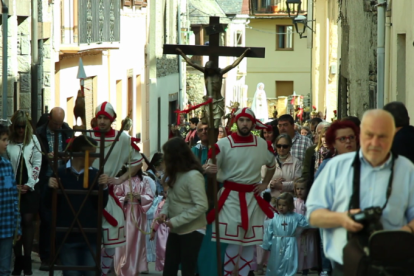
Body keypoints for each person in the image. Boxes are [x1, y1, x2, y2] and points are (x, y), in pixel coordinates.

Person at [306, 110, 414, 275]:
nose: (375, 142)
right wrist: (342, 219)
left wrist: (404, 231)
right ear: (362, 135)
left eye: (382, 136)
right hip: (347, 264)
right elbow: (312, 214)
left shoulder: (406, 169)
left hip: (394, 264)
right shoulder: (334, 167)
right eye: (369, 134)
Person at [207, 107, 276, 276]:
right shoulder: (223, 144)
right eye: (241, 120)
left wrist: (265, 183)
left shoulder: (262, 145)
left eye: (248, 121)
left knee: (248, 242)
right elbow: (211, 167)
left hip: (252, 197)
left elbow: (272, 165)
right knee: (233, 242)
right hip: (230, 197)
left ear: (253, 123)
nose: (245, 124)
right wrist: (210, 169)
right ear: (236, 122)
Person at [86, 101, 143, 275]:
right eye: (100, 117)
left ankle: (103, 271)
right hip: (86, 195)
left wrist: (118, 180)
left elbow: (137, 162)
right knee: (86, 237)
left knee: (114, 232)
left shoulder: (123, 138)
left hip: (108, 196)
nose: (102, 121)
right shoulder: (87, 136)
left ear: (112, 120)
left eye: (106, 118)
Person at [46, 135, 109, 276]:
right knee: (71, 274)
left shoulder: (95, 175)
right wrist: (50, 188)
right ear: (82, 154)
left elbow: (101, 205)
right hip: (67, 237)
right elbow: (48, 204)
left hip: (90, 235)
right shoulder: (61, 174)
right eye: (92, 153)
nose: (95, 157)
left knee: (91, 273)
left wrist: (104, 188)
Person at [158, 137, 208, 276]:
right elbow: (171, 197)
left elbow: (201, 205)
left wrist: (175, 221)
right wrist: (164, 211)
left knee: (188, 269)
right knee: (169, 268)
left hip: (192, 229)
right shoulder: (177, 173)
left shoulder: (193, 176)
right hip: (177, 228)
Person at [36, 107, 74, 270]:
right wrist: (46, 157)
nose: (59, 127)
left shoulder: (67, 132)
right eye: (56, 123)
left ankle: (58, 255)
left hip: (63, 178)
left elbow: (74, 151)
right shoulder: (39, 133)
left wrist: (67, 156)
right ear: (49, 118)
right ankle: (46, 256)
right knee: (46, 219)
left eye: (61, 123)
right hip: (45, 178)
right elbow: (34, 154)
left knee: (62, 218)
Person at [7, 111, 42, 276]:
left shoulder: (33, 140)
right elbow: (5, 164)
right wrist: (13, 186)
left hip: (29, 188)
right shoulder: (9, 142)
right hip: (13, 188)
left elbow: (37, 162)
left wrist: (30, 183)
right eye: (18, 127)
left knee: (28, 221)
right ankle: (18, 260)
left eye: (23, 127)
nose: (21, 130)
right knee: (16, 222)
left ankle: (27, 260)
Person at [192, 121, 227, 276]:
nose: (205, 131)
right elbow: (186, 173)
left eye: (208, 128)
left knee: (217, 241)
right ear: (197, 133)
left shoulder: (223, 148)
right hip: (199, 202)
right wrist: (202, 169)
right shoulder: (194, 151)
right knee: (199, 243)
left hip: (220, 201)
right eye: (201, 129)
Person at [114, 169, 155, 276]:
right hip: (125, 214)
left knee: (137, 241)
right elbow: (115, 197)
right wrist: (124, 198)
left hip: (138, 215)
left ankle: (135, 268)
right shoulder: (121, 181)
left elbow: (150, 196)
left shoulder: (144, 181)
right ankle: (121, 266)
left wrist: (140, 197)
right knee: (125, 241)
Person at [262, 193, 310, 276]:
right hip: (277, 243)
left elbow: (307, 223)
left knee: (289, 260)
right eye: (279, 205)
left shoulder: (295, 217)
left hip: (290, 242)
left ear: (289, 205)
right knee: (275, 261)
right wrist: (267, 244)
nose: (281, 207)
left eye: (284, 205)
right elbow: (269, 231)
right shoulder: (274, 217)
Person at [0, 124, 21, 276]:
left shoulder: (7, 166)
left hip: (6, 227)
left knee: (5, 269)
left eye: (7, 139)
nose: (7, 143)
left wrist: (17, 225)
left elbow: (14, 197)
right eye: (3, 139)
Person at [262, 134, 302, 198]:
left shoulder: (296, 162)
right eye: (279, 146)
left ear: (290, 147)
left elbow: (298, 183)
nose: (281, 148)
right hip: (271, 201)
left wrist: (282, 186)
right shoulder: (268, 161)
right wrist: (271, 184)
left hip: (289, 202)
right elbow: (261, 181)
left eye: (285, 146)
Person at [294, 178, 318, 276]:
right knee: (298, 252)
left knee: (308, 252)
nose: (299, 191)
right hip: (298, 234)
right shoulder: (294, 203)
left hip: (308, 233)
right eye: (298, 188)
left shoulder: (311, 203)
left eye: (302, 188)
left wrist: (311, 228)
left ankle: (306, 271)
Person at [150, 190, 169, 272]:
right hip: (162, 228)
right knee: (162, 248)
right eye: (165, 192)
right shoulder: (161, 203)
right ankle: (165, 267)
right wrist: (153, 230)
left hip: (172, 227)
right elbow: (156, 218)